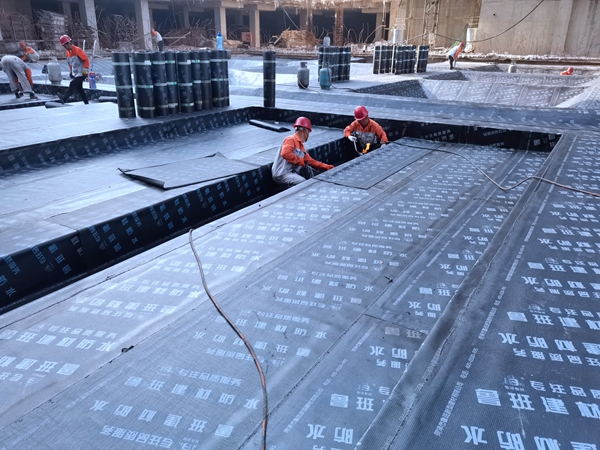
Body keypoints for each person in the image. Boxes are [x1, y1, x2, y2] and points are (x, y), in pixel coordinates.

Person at [272, 117, 334, 186]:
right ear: (305, 131)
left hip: (289, 172)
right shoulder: (290, 139)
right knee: (302, 182)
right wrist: (299, 161)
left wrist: (325, 166)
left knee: (307, 168)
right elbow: (285, 153)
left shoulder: (300, 146)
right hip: (282, 173)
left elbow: (310, 161)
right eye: (308, 132)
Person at [58, 34, 90, 104]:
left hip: (82, 72)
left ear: (69, 43)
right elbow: (70, 62)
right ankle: (86, 102)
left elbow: (86, 59)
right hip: (76, 73)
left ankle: (64, 98)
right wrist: (70, 70)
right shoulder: (68, 52)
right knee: (79, 88)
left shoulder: (77, 50)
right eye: (64, 46)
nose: (65, 47)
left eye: (65, 45)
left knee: (72, 84)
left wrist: (85, 69)